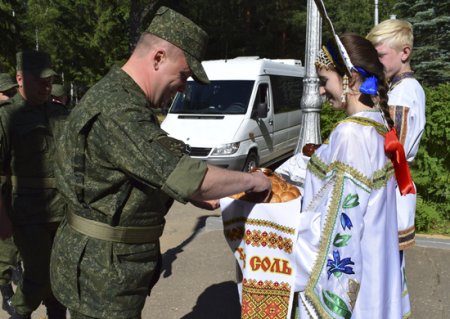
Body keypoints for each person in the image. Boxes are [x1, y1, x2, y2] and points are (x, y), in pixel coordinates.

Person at [49, 6, 271, 319]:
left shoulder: (122, 99)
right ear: (158, 57)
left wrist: (196, 193)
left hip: (107, 268)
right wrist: (253, 180)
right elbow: (188, 175)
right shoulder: (119, 110)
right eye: (183, 75)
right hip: (103, 276)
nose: (184, 87)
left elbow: (143, 170)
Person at [280, 33, 404, 318]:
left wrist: (280, 237)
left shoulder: (350, 133)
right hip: (375, 280)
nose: (321, 91)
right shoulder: (377, 126)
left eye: (324, 82)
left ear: (350, 78)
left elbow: (339, 227)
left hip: (354, 294)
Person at [0, 50, 69, 319]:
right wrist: (2, 217)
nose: (46, 85)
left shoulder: (59, 113)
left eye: (49, 80)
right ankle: (19, 312)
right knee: (38, 274)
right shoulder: (8, 117)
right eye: (39, 80)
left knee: (60, 277)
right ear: (19, 78)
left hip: (63, 212)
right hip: (27, 213)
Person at [367, 19, 425, 318]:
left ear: (404, 52)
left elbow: (392, 149)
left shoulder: (404, 93)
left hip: (391, 187)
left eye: (380, 56)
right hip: (395, 185)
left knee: (382, 269)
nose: (376, 64)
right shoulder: (402, 88)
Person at [0, 72, 22, 317]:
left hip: (14, 191)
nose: (10, 98)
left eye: (12, 93)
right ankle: (6, 291)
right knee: (4, 247)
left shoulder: (13, 120)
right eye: (6, 94)